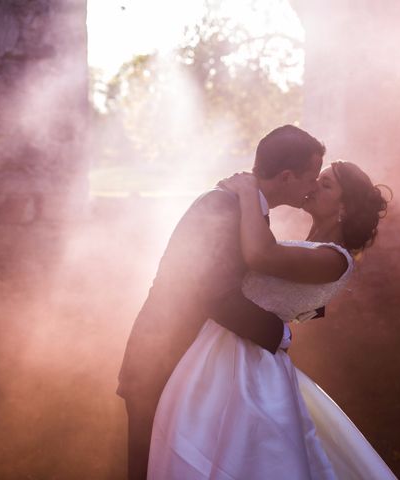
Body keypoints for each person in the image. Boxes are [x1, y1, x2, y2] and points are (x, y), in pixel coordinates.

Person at [148, 161, 396, 479]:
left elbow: (258, 255)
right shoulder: (309, 246)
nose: (314, 187)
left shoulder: (334, 259)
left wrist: (249, 190)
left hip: (246, 362)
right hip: (223, 345)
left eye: (326, 184)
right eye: (317, 180)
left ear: (344, 208)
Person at [117, 125, 326, 480]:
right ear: (288, 177)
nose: (314, 187)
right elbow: (215, 294)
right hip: (162, 361)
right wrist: (278, 333)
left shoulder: (245, 207)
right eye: (312, 177)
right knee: (151, 467)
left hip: (191, 364)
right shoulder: (223, 206)